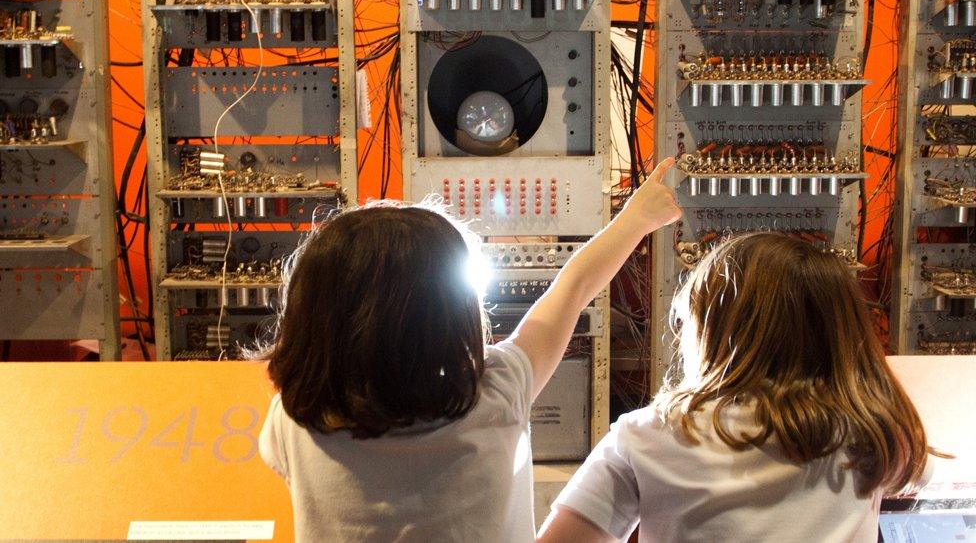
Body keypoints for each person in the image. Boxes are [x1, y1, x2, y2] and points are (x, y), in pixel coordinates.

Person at [254, 159, 682, 542]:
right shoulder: (498, 390)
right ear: (453, 312)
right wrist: (635, 219)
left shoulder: (292, 420)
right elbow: (573, 289)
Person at [537, 232, 933, 543]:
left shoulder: (651, 434)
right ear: (843, 334)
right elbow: (922, 474)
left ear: (709, 330)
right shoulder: (879, 432)